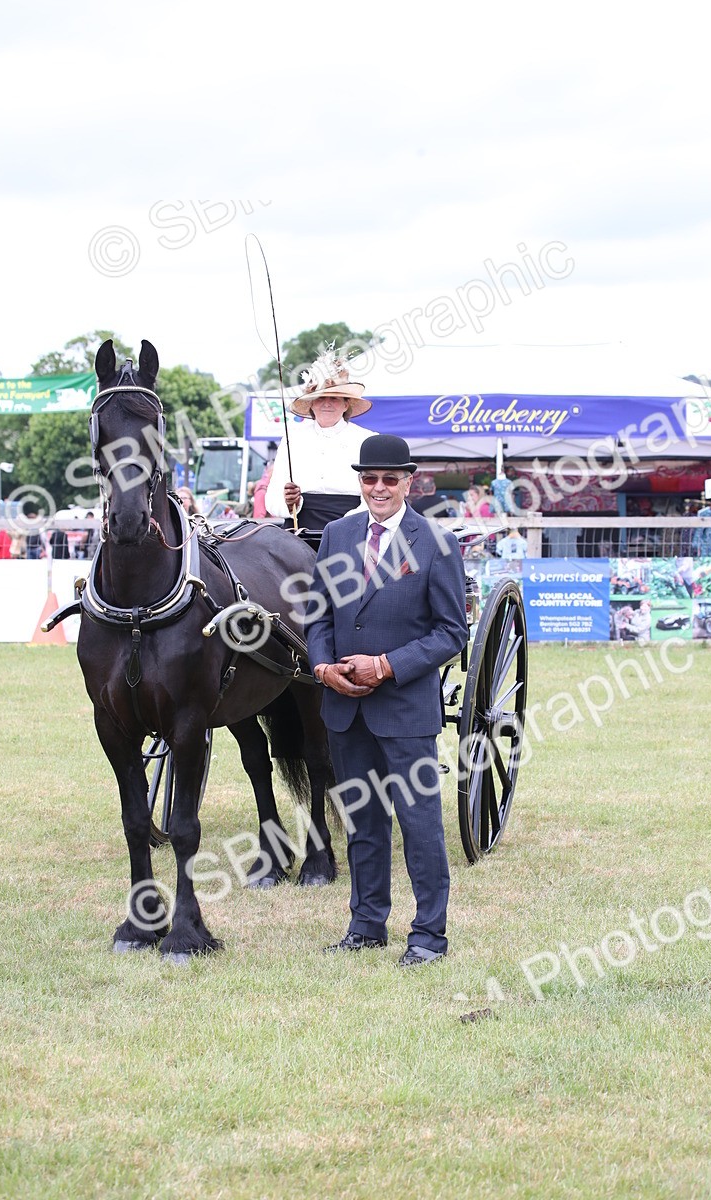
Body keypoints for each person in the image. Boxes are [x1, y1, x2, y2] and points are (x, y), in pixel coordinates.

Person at [306, 434, 468, 967]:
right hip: (345, 708)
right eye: (370, 479)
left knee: (419, 823)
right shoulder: (336, 535)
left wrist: (387, 665)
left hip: (403, 710)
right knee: (363, 824)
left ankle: (428, 935)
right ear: (360, 481)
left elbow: (451, 632)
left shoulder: (437, 544)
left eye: (390, 479)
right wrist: (324, 666)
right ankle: (366, 924)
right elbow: (320, 615)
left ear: (409, 481)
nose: (379, 488)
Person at [265, 346, 377, 531]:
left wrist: (348, 524)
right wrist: (290, 502)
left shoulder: (367, 440)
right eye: (319, 398)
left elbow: (376, 494)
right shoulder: (292, 438)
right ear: (311, 404)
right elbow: (272, 498)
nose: (326, 403)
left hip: (353, 527)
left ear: (346, 404)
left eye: (334, 398)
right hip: (298, 530)